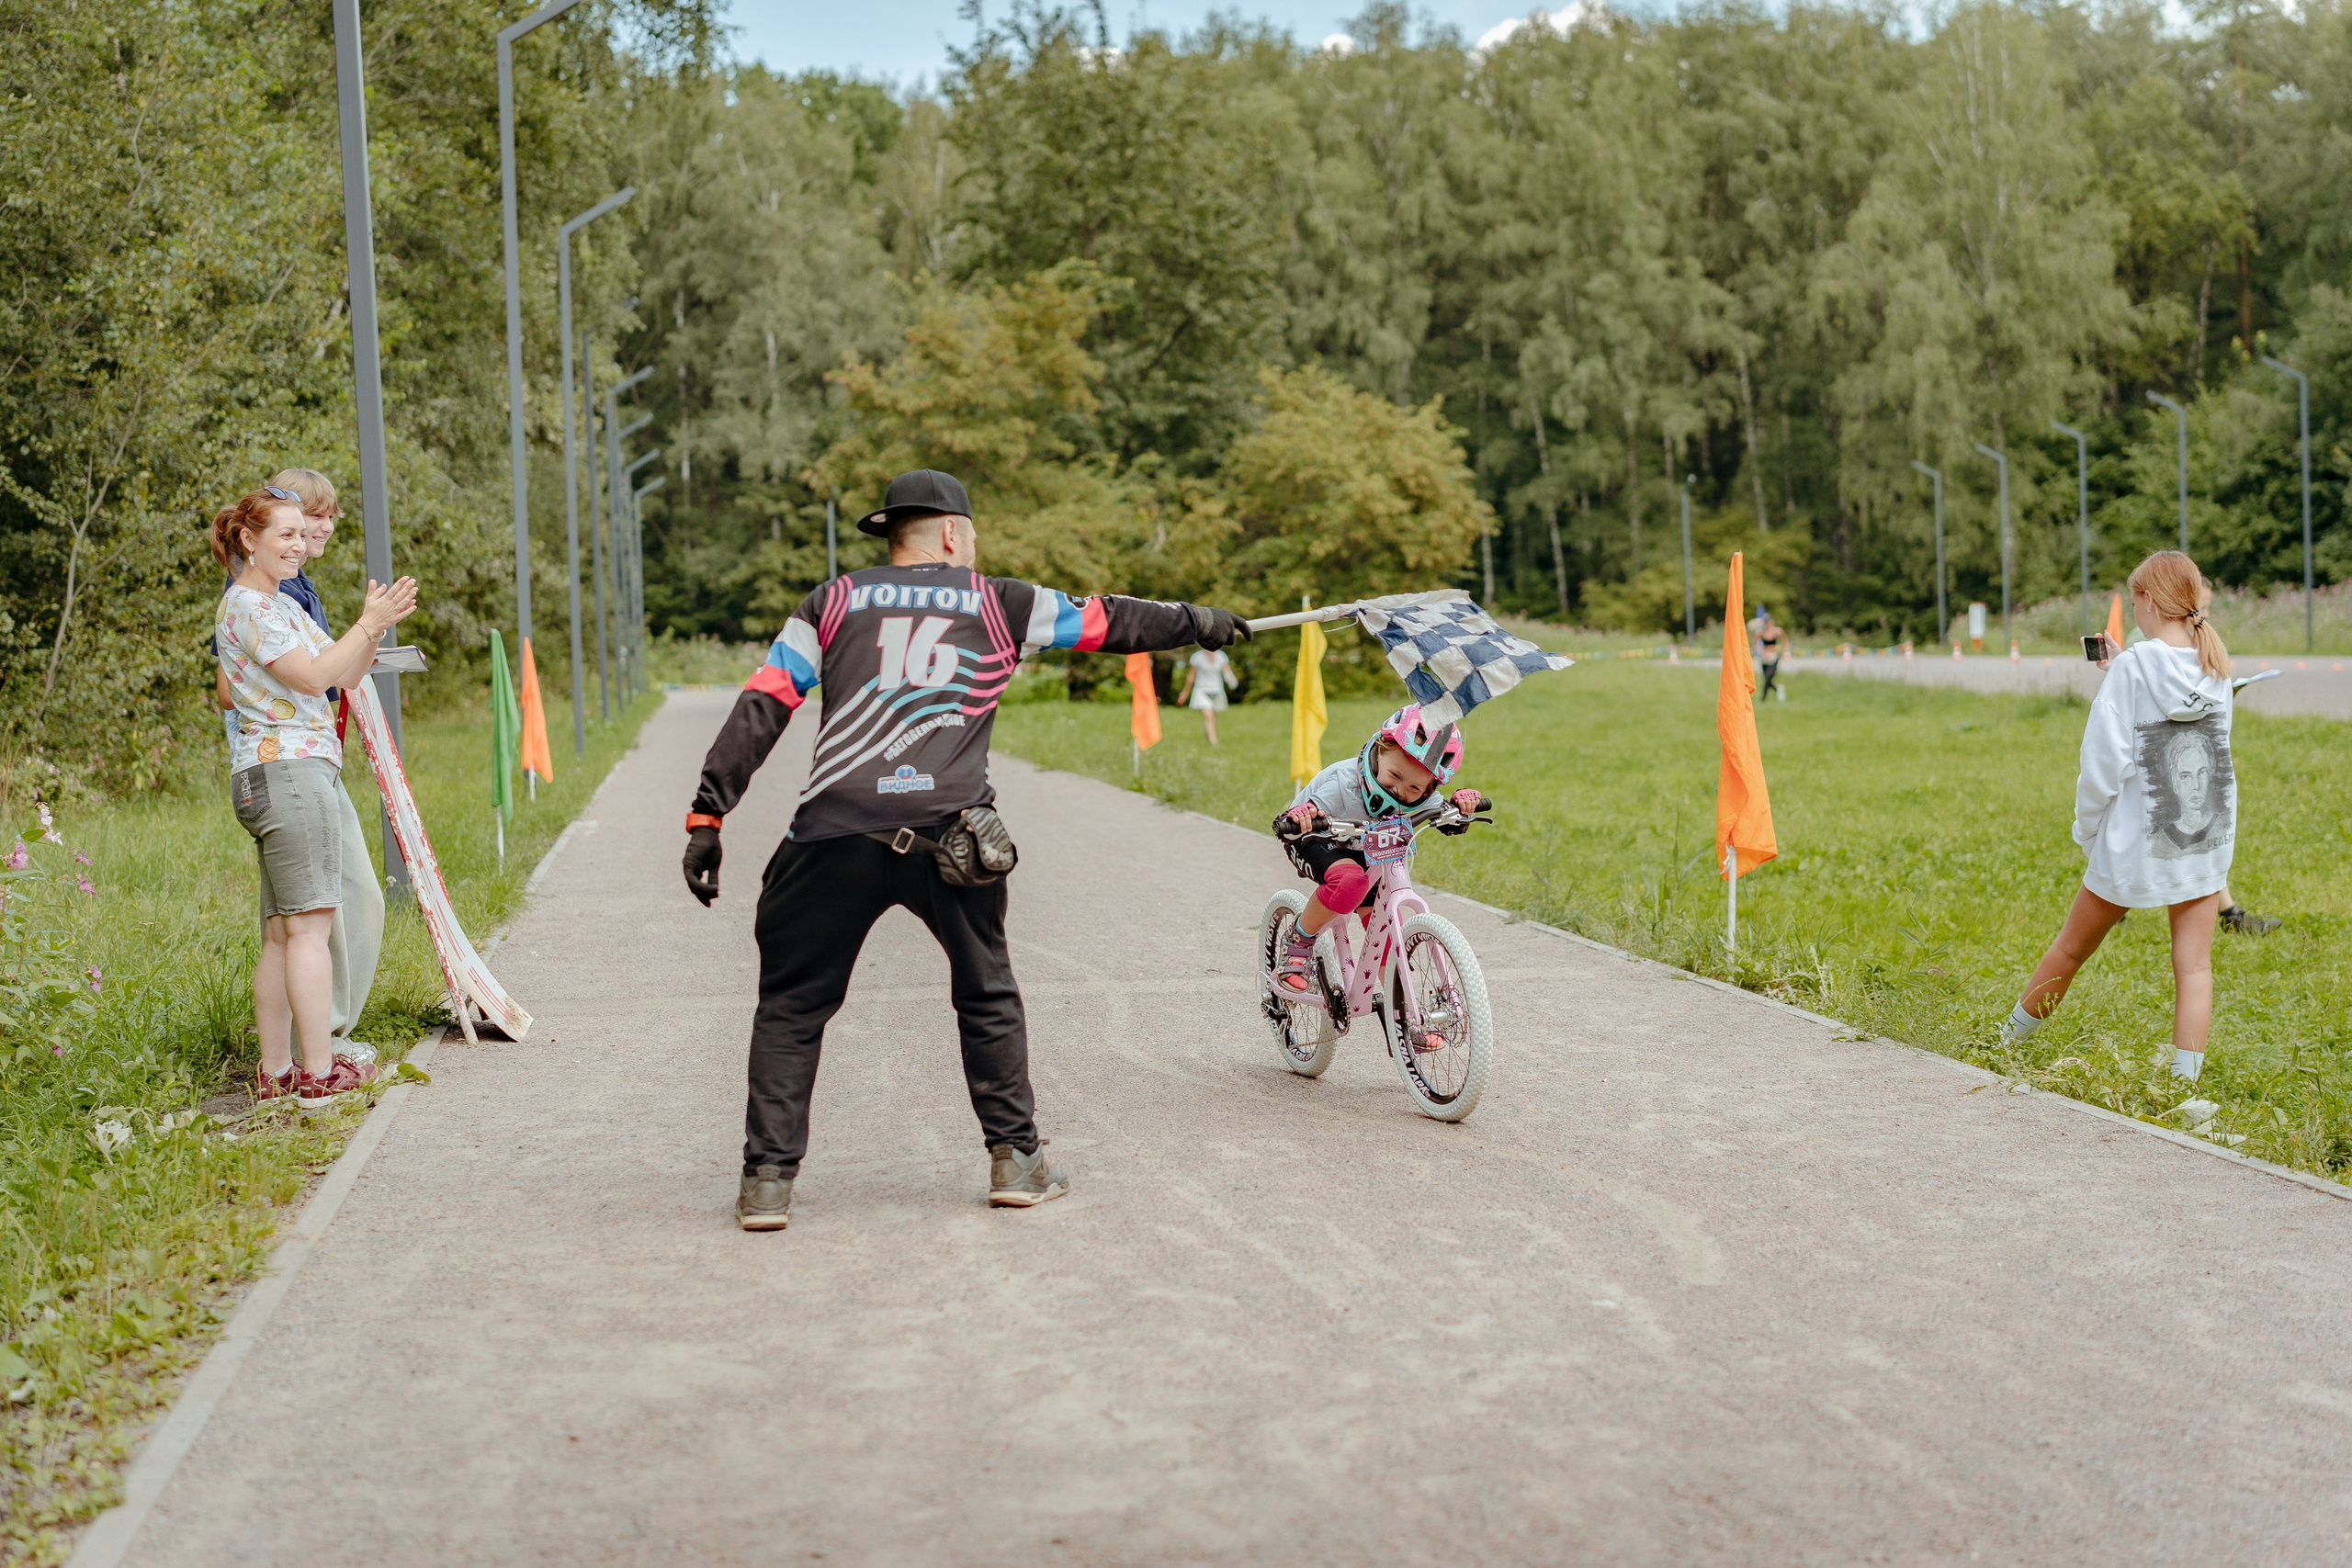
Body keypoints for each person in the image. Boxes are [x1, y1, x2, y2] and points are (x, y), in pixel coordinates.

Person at [680, 469, 1253, 1231]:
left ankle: (767, 1183)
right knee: (985, 993)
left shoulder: (834, 600)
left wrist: (707, 815)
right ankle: (1016, 1161)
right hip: (952, 834)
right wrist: (1199, 621)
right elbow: (1108, 622)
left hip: (833, 830)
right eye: (973, 535)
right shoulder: (997, 600)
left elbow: (766, 702)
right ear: (952, 533)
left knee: (790, 1005)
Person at [213, 486, 416, 1109]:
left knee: (282, 932)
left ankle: (276, 1073)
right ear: (249, 540)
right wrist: (365, 625)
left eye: (304, 534)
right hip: (289, 774)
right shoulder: (249, 605)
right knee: (309, 929)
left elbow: (342, 675)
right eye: (286, 534)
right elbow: (309, 677)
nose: (300, 545)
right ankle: (318, 1074)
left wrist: (372, 631)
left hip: (282, 774)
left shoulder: (282, 606)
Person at [1998, 550, 2233, 1083]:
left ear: (2149, 602)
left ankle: (2002, 1044)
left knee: (2070, 948)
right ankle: (2183, 1085)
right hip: (2201, 837)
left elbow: (2102, 763)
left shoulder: (2132, 666)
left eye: (2134, 604)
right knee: (2195, 967)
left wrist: (2088, 829)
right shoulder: (2216, 664)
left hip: (2133, 841)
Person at [1270, 705, 1485, 995]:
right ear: (1379, 750)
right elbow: (1311, 812)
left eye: (1414, 788)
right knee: (1349, 882)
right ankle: (1299, 941)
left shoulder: (1423, 797)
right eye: (1394, 776)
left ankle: (1406, 1016)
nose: (1399, 791)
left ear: (1430, 787)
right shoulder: (1343, 782)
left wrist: (1460, 806)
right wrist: (1305, 814)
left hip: (1370, 845)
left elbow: (1447, 820)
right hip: (1315, 834)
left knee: (1382, 920)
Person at [1177, 645, 1237, 744]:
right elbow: (1191, 675)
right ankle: (1214, 742)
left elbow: (1226, 671)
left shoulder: (1221, 656)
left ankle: (1207, 738)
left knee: (1212, 717)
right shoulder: (1197, 657)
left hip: (1217, 690)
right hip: (1201, 690)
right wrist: (1185, 692)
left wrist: (1231, 680)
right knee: (1209, 716)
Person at [1751, 606, 1785, 704]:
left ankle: (1763, 699)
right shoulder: (1760, 633)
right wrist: (1762, 652)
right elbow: (1755, 647)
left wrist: (1781, 650)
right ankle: (1778, 690)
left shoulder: (1778, 631)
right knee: (1766, 678)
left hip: (1774, 656)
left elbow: (1785, 643)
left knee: (1768, 677)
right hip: (1764, 657)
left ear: (1771, 622)